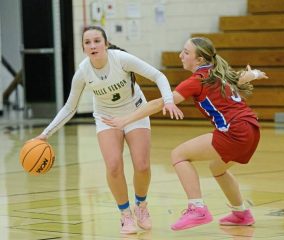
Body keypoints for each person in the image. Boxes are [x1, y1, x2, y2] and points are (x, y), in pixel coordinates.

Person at [102, 37, 268, 231]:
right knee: (217, 168)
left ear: (199, 60)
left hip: (235, 131)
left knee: (178, 155)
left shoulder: (197, 80)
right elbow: (238, 78)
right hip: (253, 129)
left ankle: (197, 208)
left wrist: (125, 119)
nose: (181, 55)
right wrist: (253, 74)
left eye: (186, 52)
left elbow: (159, 103)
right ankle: (241, 214)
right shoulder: (216, 73)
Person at [34, 25, 183, 234]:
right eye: (87, 42)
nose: (93, 45)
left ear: (106, 43)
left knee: (141, 165)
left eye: (97, 41)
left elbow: (158, 75)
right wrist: (45, 134)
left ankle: (141, 206)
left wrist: (168, 100)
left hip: (135, 112)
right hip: (106, 118)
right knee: (113, 166)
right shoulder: (83, 71)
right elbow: (70, 107)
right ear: (83, 47)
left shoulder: (121, 59)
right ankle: (125, 215)